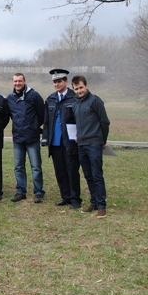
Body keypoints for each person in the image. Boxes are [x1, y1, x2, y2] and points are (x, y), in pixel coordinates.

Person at [42, 69, 82, 210]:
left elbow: (80, 119)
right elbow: (47, 122)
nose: (57, 84)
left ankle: (75, 199)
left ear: (66, 82)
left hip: (70, 141)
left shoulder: (74, 98)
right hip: (55, 142)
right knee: (60, 171)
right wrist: (45, 138)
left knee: (72, 170)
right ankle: (65, 196)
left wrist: (80, 135)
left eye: (59, 81)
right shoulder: (51, 99)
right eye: (55, 82)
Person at [71, 75, 110, 218]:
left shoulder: (95, 101)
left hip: (94, 144)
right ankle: (94, 202)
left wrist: (102, 140)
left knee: (96, 175)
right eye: (76, 89)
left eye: (81, 88)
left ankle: (101, 205)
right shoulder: (75, 104)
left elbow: (104, 122)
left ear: (86, 85)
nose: (79, 91)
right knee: (88, 175)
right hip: (81, 145)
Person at [6, 73, 46, 203]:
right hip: (18, 137)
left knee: (36, 166)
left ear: (24, 81)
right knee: (18, 166)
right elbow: (9, 115)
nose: (17, 83)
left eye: (20, 81)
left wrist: (34, 127)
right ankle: (21, 191)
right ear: (12, 82)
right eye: (15, 81)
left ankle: (38, 192)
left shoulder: (34, 95)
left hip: (32, 137)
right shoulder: (10, 98)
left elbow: (42, 114)